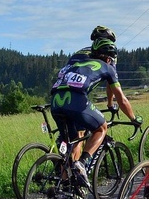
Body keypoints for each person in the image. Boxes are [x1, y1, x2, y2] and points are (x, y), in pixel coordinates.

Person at [50, 38, 141, 187]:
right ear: (108, 57)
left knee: (71, 144)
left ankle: (66, 188)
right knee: (101, 127)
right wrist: (133, 118)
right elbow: (122, 99)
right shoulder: (108, 67)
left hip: (55, 101)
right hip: (75, 100)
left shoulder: (76, 63)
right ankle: (83, 163)